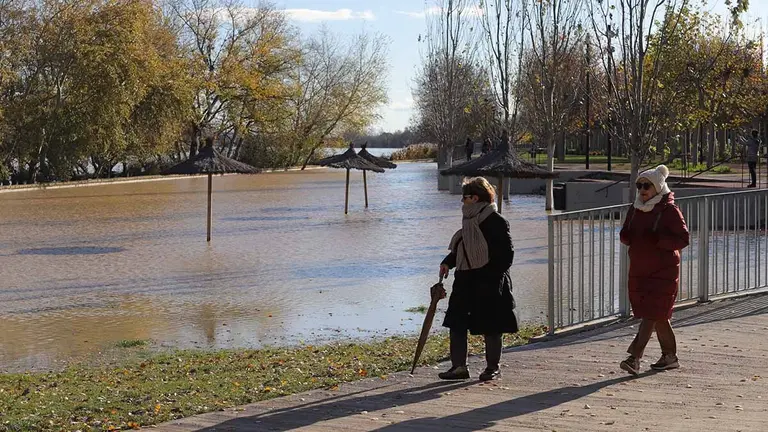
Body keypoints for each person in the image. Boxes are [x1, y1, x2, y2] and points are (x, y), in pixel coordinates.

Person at [438, 177, 518, 381]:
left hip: (490, 281)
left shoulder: (496, 221)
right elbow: (463, 248)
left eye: (464, 197)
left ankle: (492, 368)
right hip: (465, 279)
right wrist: (448, 262)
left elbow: (506, 255)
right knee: (456, 323)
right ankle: (459, 368)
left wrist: (488, 276)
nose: (462, 202)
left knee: (491, 326)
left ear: (475, 197)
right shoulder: (469, 221)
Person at [619, 165, 690, 375]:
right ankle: (670, 357)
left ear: (658, 187)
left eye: (647, 185)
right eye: (639, 185)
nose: (642, 189)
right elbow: (627, 230)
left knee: (652, 311)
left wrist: (660, 242)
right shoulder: (636, 208)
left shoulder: (669, 210)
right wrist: (625, 236)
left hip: (664, 270)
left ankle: (634, 358)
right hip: (640, 268)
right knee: (658, 314)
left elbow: (683, 238)